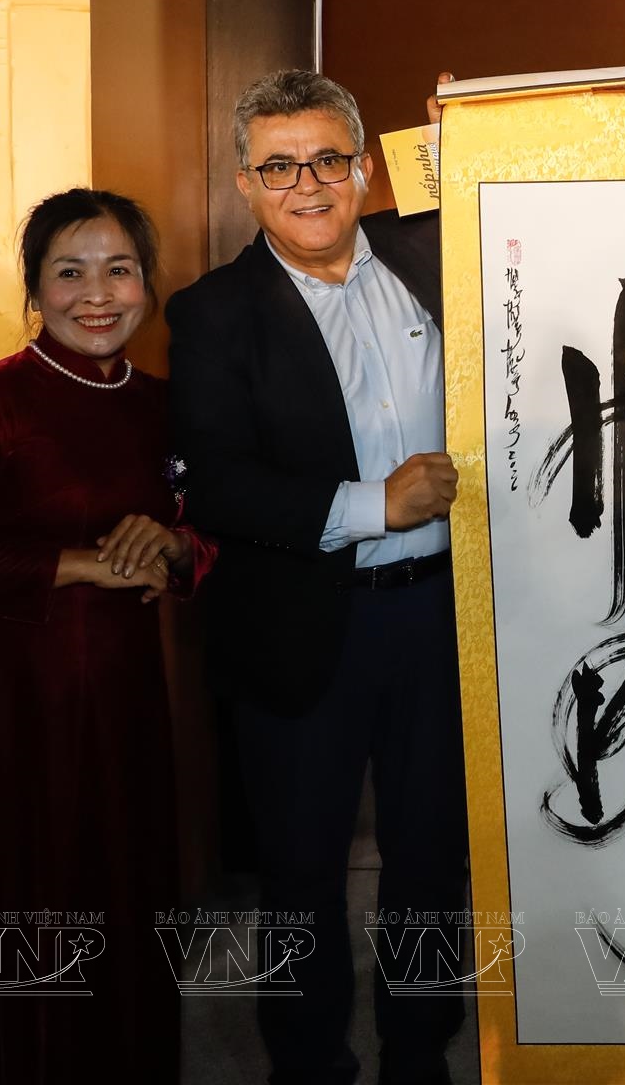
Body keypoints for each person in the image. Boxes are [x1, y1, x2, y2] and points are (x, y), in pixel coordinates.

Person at [166, 69, 466, 1085]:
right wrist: (375, 504)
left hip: (440, 617)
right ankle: (307, 1067)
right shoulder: (213, 313)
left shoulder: (435, 255)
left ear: (365, 168)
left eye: (329, 159)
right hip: (299, 624)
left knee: (432, 862)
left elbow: (515, 207)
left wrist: (471, 130)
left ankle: (420, 1058)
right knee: (300, 873)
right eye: (279, 167)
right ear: (244, 183)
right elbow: (215, 483)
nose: (308, 185)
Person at [0, 189, 206, 1084]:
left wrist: (175, 546)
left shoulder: (165, 407)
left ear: (147, 284)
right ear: (34, 289)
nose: (96, 294)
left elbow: (210, 529)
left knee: (122, 887)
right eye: (70, 272)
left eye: (119, 270)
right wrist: (79, 565)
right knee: (35, 890)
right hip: (10, 693)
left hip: (127, 688)